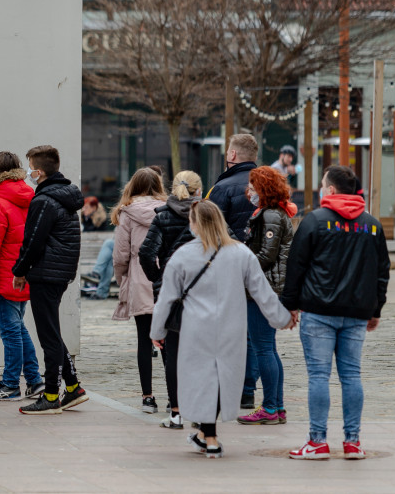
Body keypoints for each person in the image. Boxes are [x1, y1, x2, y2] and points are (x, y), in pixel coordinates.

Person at [150, 200, 293, 459]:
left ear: (194, 224)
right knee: (221, 379)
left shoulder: (183, 255)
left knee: (202, 380)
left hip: (195, 328)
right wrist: (282, 318)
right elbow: (263, 292)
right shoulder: (241, 253)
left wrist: (157, 330)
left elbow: (167, 298)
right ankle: (207, 434)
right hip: (231, 327)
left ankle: (210, 436)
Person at [282, 165, 390, 460]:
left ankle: (317, 441)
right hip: (356, 313)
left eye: (321, 185)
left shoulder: (314, 221)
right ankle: (353, 442)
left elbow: (296, 267)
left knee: (319, 376)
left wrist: (290, 305)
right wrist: (375, 308)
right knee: (351, 375)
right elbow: (382, 271)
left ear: (330, 190)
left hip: (318, 310)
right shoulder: (372, 225)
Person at [12, 145, 87, 415]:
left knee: (48, 337)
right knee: (52, 332)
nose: (28, 172)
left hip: (46, 272)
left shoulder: (44, 200)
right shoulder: (62, 196)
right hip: (58, 272)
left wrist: (19, 271)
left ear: (39, 172)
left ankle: (52, 395)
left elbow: (32, 241)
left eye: (30, 166)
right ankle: (73, 387)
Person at [0, 151, 44, 402]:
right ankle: (35, 381)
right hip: (24, 273)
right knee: (18, 327)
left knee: (10, 331)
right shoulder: (30, 196)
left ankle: (10, 384)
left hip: (5, 275)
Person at [138, 170, 202, 429]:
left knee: (173, 352)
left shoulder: (162, 216)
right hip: (202, 290)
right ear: (199, 190)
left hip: (173, 290)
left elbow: (145, 253)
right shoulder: (207, 214)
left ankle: (175, 412)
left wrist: (158, 278)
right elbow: (226, 242)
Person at [238, 166, 296, 427]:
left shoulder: (271, 215)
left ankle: (270, 407)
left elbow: (266, 256)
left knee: (263, 349)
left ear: (262, 188)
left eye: (252, 185)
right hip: (270, 289)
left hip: (265, 290)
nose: (247, 190)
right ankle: (277, 405)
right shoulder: (273, 213)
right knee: (269, 349)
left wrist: (240, 267)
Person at [205, 132, 259, 409]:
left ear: (232, 156)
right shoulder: (266, 183)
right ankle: (249, 389)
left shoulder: (221, 187)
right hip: (261, 266)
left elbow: (207, 229)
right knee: (254, 332)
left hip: (227, 267)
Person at [110, 168, 167, 414]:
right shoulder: (169, 209)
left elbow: (120, 254)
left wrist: (122, 278)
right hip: (167, 277)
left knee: (144, 340)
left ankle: (147, 397)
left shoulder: (128, 213)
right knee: (169, 340)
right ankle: (175, 398)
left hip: (140, 277)